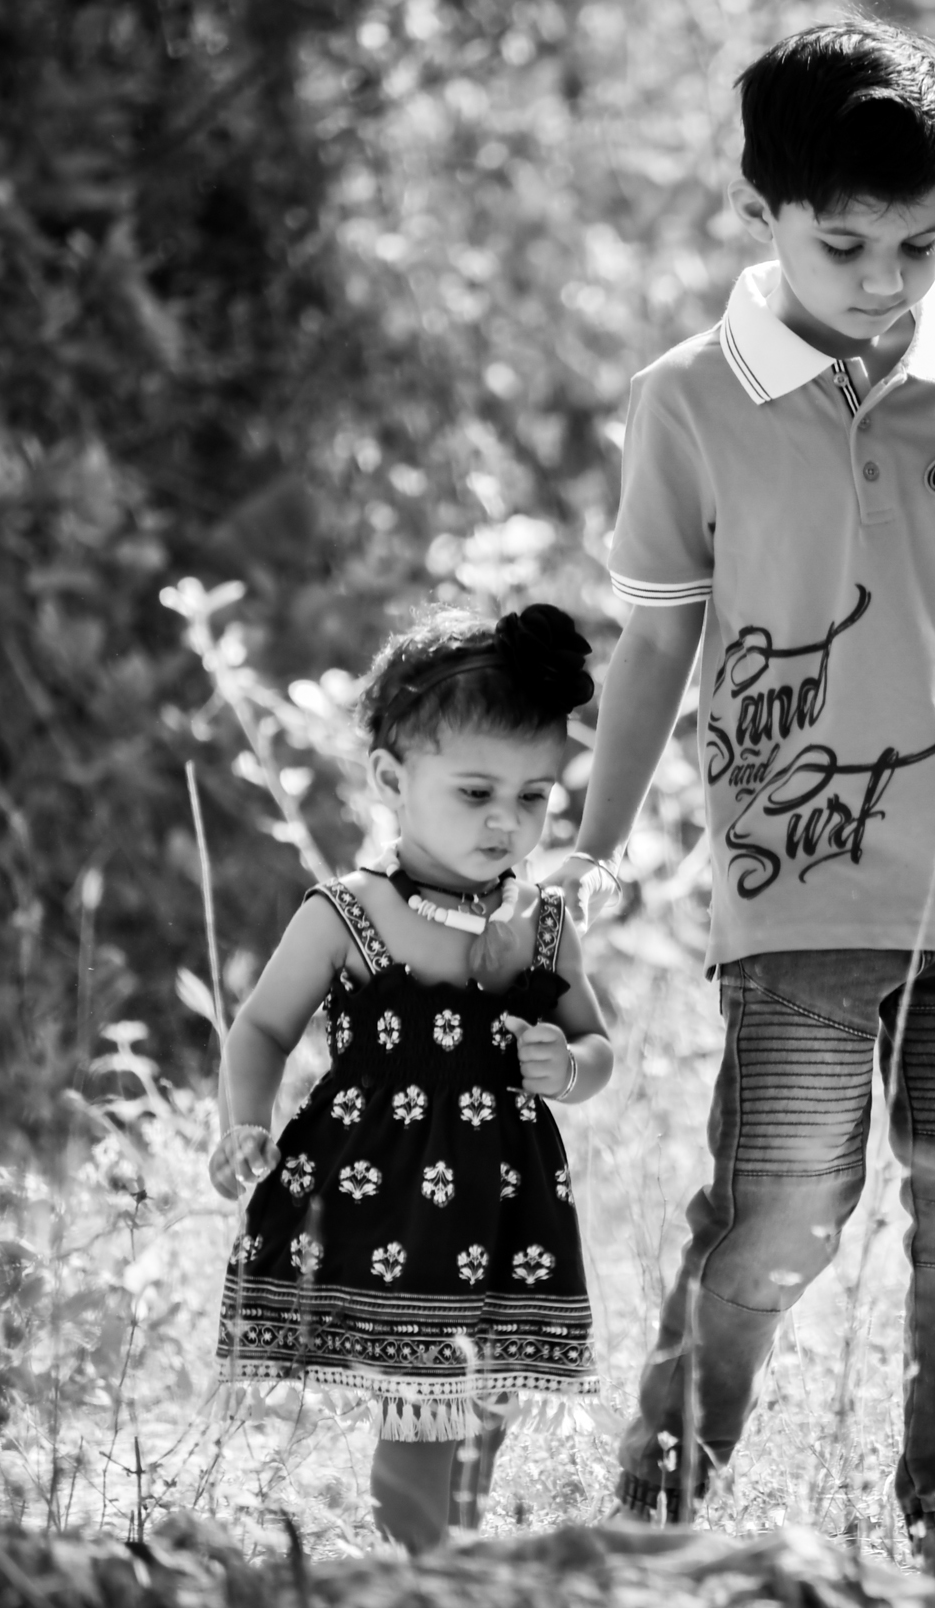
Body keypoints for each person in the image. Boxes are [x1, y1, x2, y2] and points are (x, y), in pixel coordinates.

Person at [548, 18, 935, 1582]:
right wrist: (592, 849)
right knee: (779, 1212)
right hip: (795, 896)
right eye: (842, 243)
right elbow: (656, 641)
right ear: (763, 211)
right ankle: (660, 1497)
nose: (883, 278)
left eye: (919, 243)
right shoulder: (686, 399)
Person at [209, 603, 616, 1553]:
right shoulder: (347, 913)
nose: (506, 821)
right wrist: (242, 1122)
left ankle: (452, 1554)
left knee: (485, 1405)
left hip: (505, 1207)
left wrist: (568, 1068)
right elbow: (262, 1026)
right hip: (385, 1207)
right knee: (419, 1416)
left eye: (533, 795)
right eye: (475, 792)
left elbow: (596, 1045)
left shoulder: (543, 922)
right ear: (392, 779)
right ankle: (425, 1566)